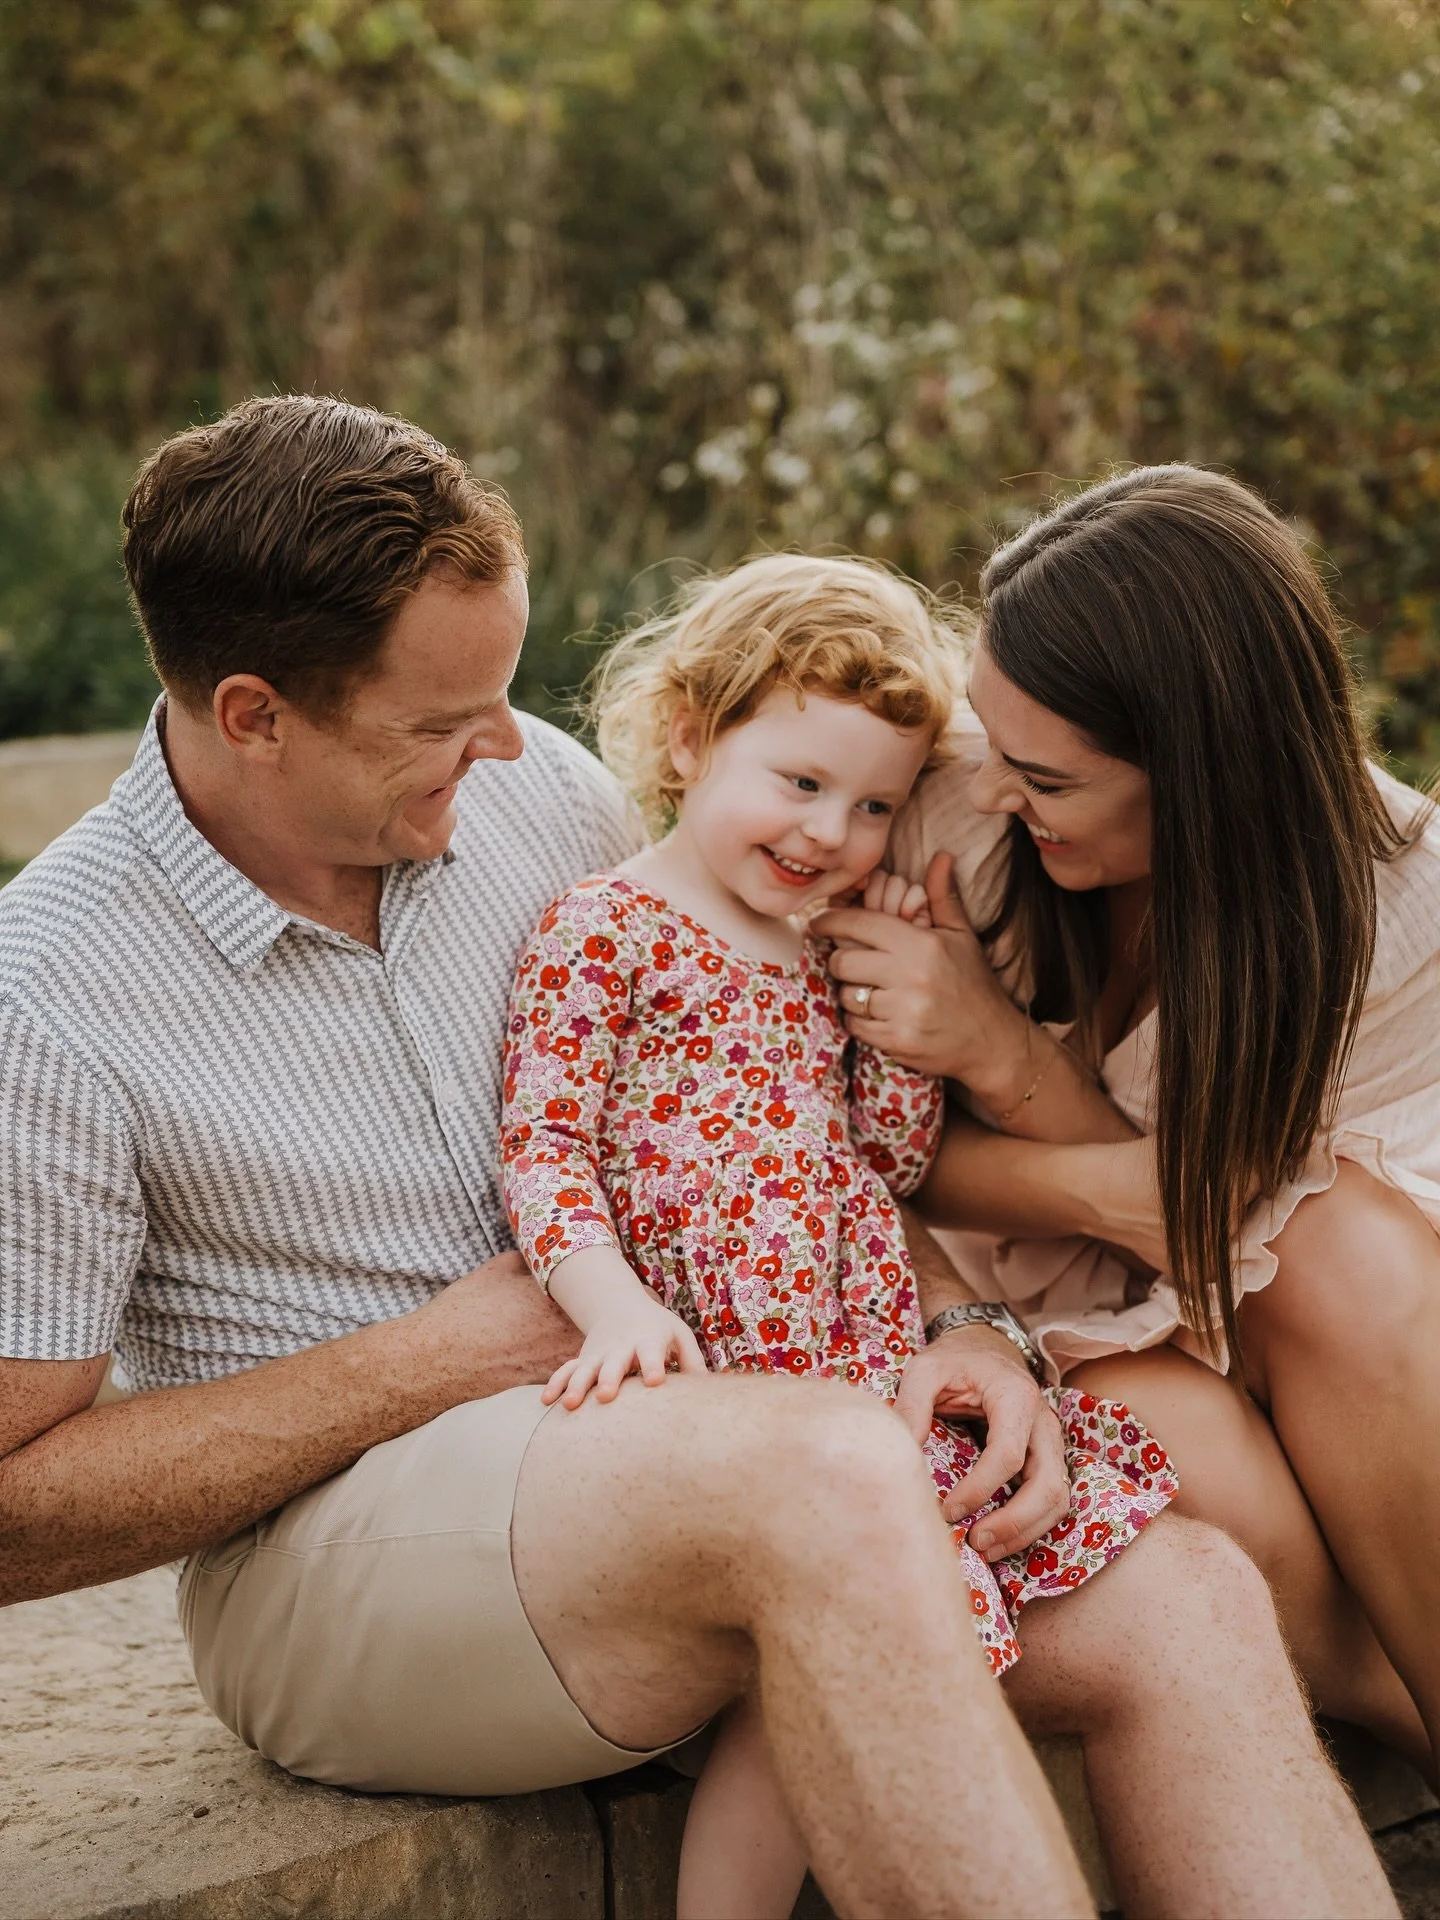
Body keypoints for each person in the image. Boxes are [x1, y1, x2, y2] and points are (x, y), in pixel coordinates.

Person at [0, 403, 1395, 1920]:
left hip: (711, 1453)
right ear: (252, 714)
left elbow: (780, 1137)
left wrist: (966, 1335)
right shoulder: (54, 995)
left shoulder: (535, 798)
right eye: (437, 724)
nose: (508, 746)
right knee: (825, 1476)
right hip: (343, 1555)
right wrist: (432, 1358)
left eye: (505, 693)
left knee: (1180, 1602)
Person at [499, 555, 1177, 1918]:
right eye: (800, 783)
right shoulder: (605, 934)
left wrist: (903, 1023)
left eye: (873, 805)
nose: (832, 833)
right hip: (714, 1366)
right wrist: (612, 1305)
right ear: (689, 738)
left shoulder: (819, 947)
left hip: (844, 1351)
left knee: (826, 1664)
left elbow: (892, 1162)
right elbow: (547, 1150)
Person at [818, 461, 1440, 1786]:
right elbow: (831, 1151)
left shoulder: (1400, 911)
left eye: (1044, 776)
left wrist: (996, 1054)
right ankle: (1405, 1708)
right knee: (1184, 1439)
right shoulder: (945, 819)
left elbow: (1221, 1243)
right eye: (990, 737)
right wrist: (1108, 1187)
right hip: (1012, 1321)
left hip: (1300, 1352)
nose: (989, 791)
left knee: (1347, 1254)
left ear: (1204, 778)